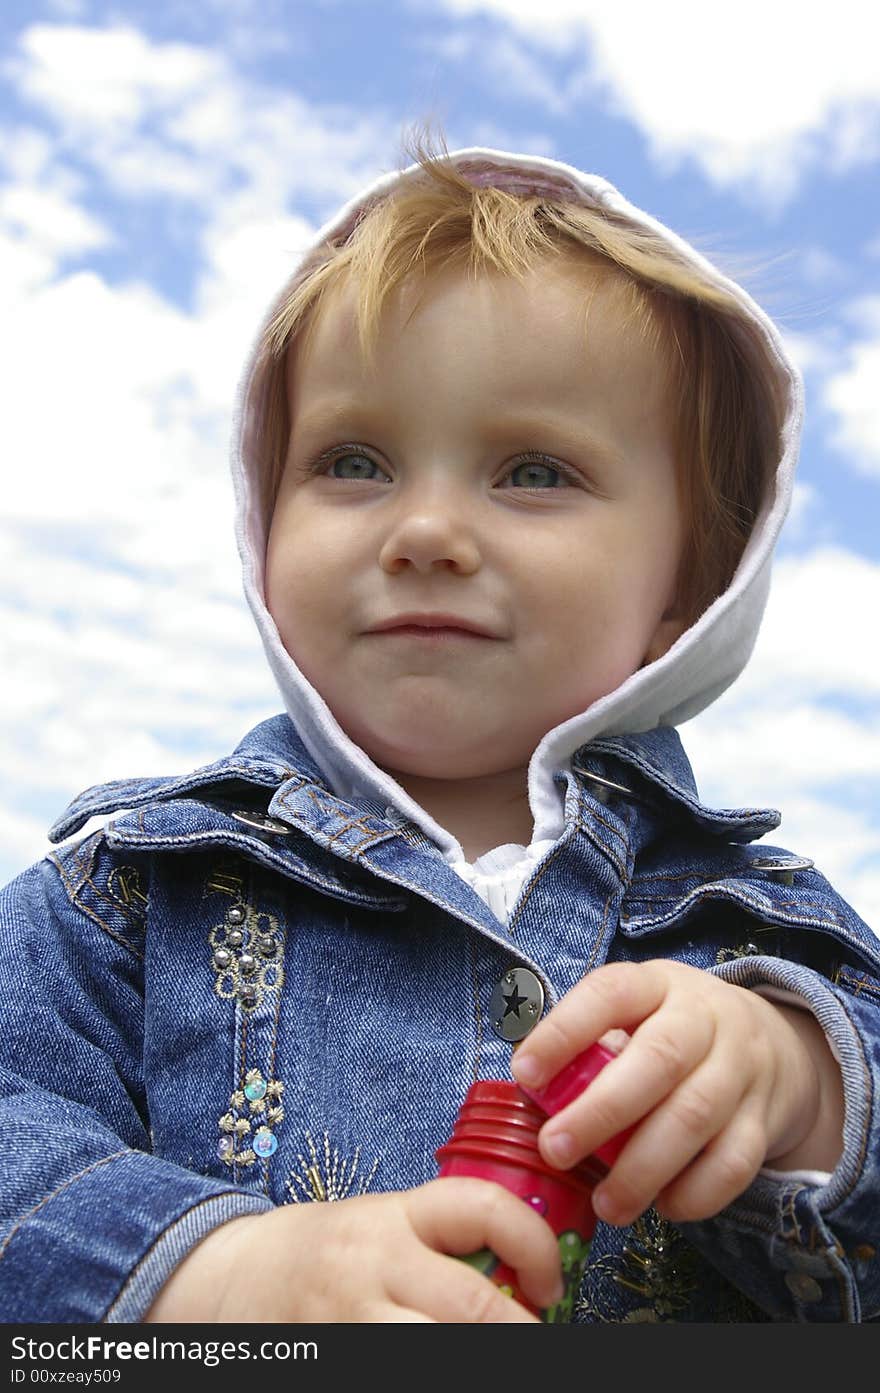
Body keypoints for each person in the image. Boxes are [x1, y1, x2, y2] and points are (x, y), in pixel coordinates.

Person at [1, 129, 878, 1326]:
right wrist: (208, 1273)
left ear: (690, 581)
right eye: (353, 461)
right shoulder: (135, 891)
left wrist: (804, 1085)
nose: (425, 531)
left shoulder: (763, 926)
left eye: (531, 471)